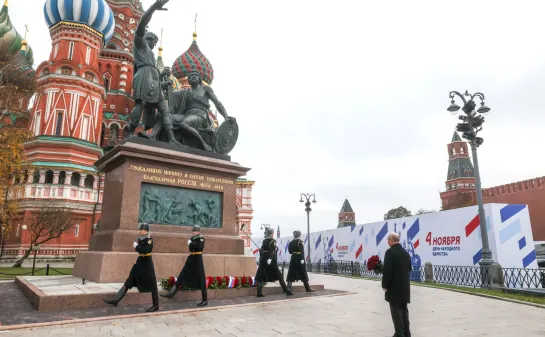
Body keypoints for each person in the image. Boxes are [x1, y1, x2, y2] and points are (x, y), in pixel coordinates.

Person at [127, 0, 179, 145]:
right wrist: (153, 9)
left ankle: (172, 138)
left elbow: (154, 75)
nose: (153, 44)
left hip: (153, 80)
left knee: (164, 109)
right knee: (141, 103)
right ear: (145, 38)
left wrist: (162, 79)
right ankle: (130, 131)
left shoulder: (150, 53)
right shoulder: (140, 43)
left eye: (155, 42)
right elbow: (142, 24)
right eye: (151, 40)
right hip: (143, 75)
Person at [168, 70, 235, 151]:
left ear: (199, 79)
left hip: (201, 116)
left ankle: (203, 143)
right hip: (186, 115)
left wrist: (226, 116)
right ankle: (167, 138)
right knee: (167, 117)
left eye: (195, 75)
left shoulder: (205, 89)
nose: (193, 76)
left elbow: (217, 103)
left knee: (183, 124)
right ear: (188, 80)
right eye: (191, 75)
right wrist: (164, 78)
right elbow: (170, 95)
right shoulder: (185, 92)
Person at [103, 223, 159, 312]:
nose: (140, 231)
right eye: (140, 229)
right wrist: (138, 246)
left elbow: (147, 250)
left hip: (147, 265)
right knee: (129, 281)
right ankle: (116, 300)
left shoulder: (149, 240)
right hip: (139, 263)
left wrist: (137, 246)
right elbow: (141, 250)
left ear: (146, 231)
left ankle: (156, 305)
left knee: (152, 285)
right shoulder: (140, 239)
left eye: (142, 229)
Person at [161, 225, 207, 306]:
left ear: (198, 232)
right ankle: (171, 294)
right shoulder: (193, 238)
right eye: (193, 231)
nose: (193, 232)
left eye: (194, 231)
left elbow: (199, 246)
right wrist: (192, 243)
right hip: (191, 260)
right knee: (181, 276)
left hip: (197, 261)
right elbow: (192, 248)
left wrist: (191, 243)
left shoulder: (201, 238)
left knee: (201, 279)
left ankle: (205, 300)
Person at [382, 232, 412, 337]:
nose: (387, 242)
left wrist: (384, 284)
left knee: (396, 312)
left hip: (394, 288)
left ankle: (399, 334)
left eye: (388, 240)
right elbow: (409, 268)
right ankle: (407, 333)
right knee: (404, 311)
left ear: (391, 240)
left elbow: (387, 270)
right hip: (404, 288)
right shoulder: (406, 253)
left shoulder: (390, 252)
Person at [255, 227, 293, 297]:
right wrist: (270, 258)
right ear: (272, 233)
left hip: (263, 260)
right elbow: (272, 250)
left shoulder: (264, 241)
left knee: (260, 276)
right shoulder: (273, 241)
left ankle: (259, 292)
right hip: (271, 260)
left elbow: (263, 249)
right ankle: (286, 290)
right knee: (279, 276)